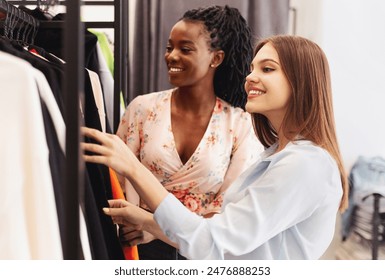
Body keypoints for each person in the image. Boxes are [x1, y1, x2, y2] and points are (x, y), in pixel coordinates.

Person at [82, 34, 349, 260]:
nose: (250, 78)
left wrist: (133, 168)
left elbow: (213, 242)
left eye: (267, 69)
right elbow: (223, 237)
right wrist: (148, 222)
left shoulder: (304, 164)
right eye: (252, 68)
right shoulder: (277, 155)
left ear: (301, 82)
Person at [112, 5, 263, 259]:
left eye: (185, 49)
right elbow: (116, 182)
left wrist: (154, 228)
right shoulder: (142, 109)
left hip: (203, 257)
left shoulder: (239, 124)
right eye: (170, 47)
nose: (171, 56)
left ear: (216, 58)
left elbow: (228, 214)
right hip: (137, 252)